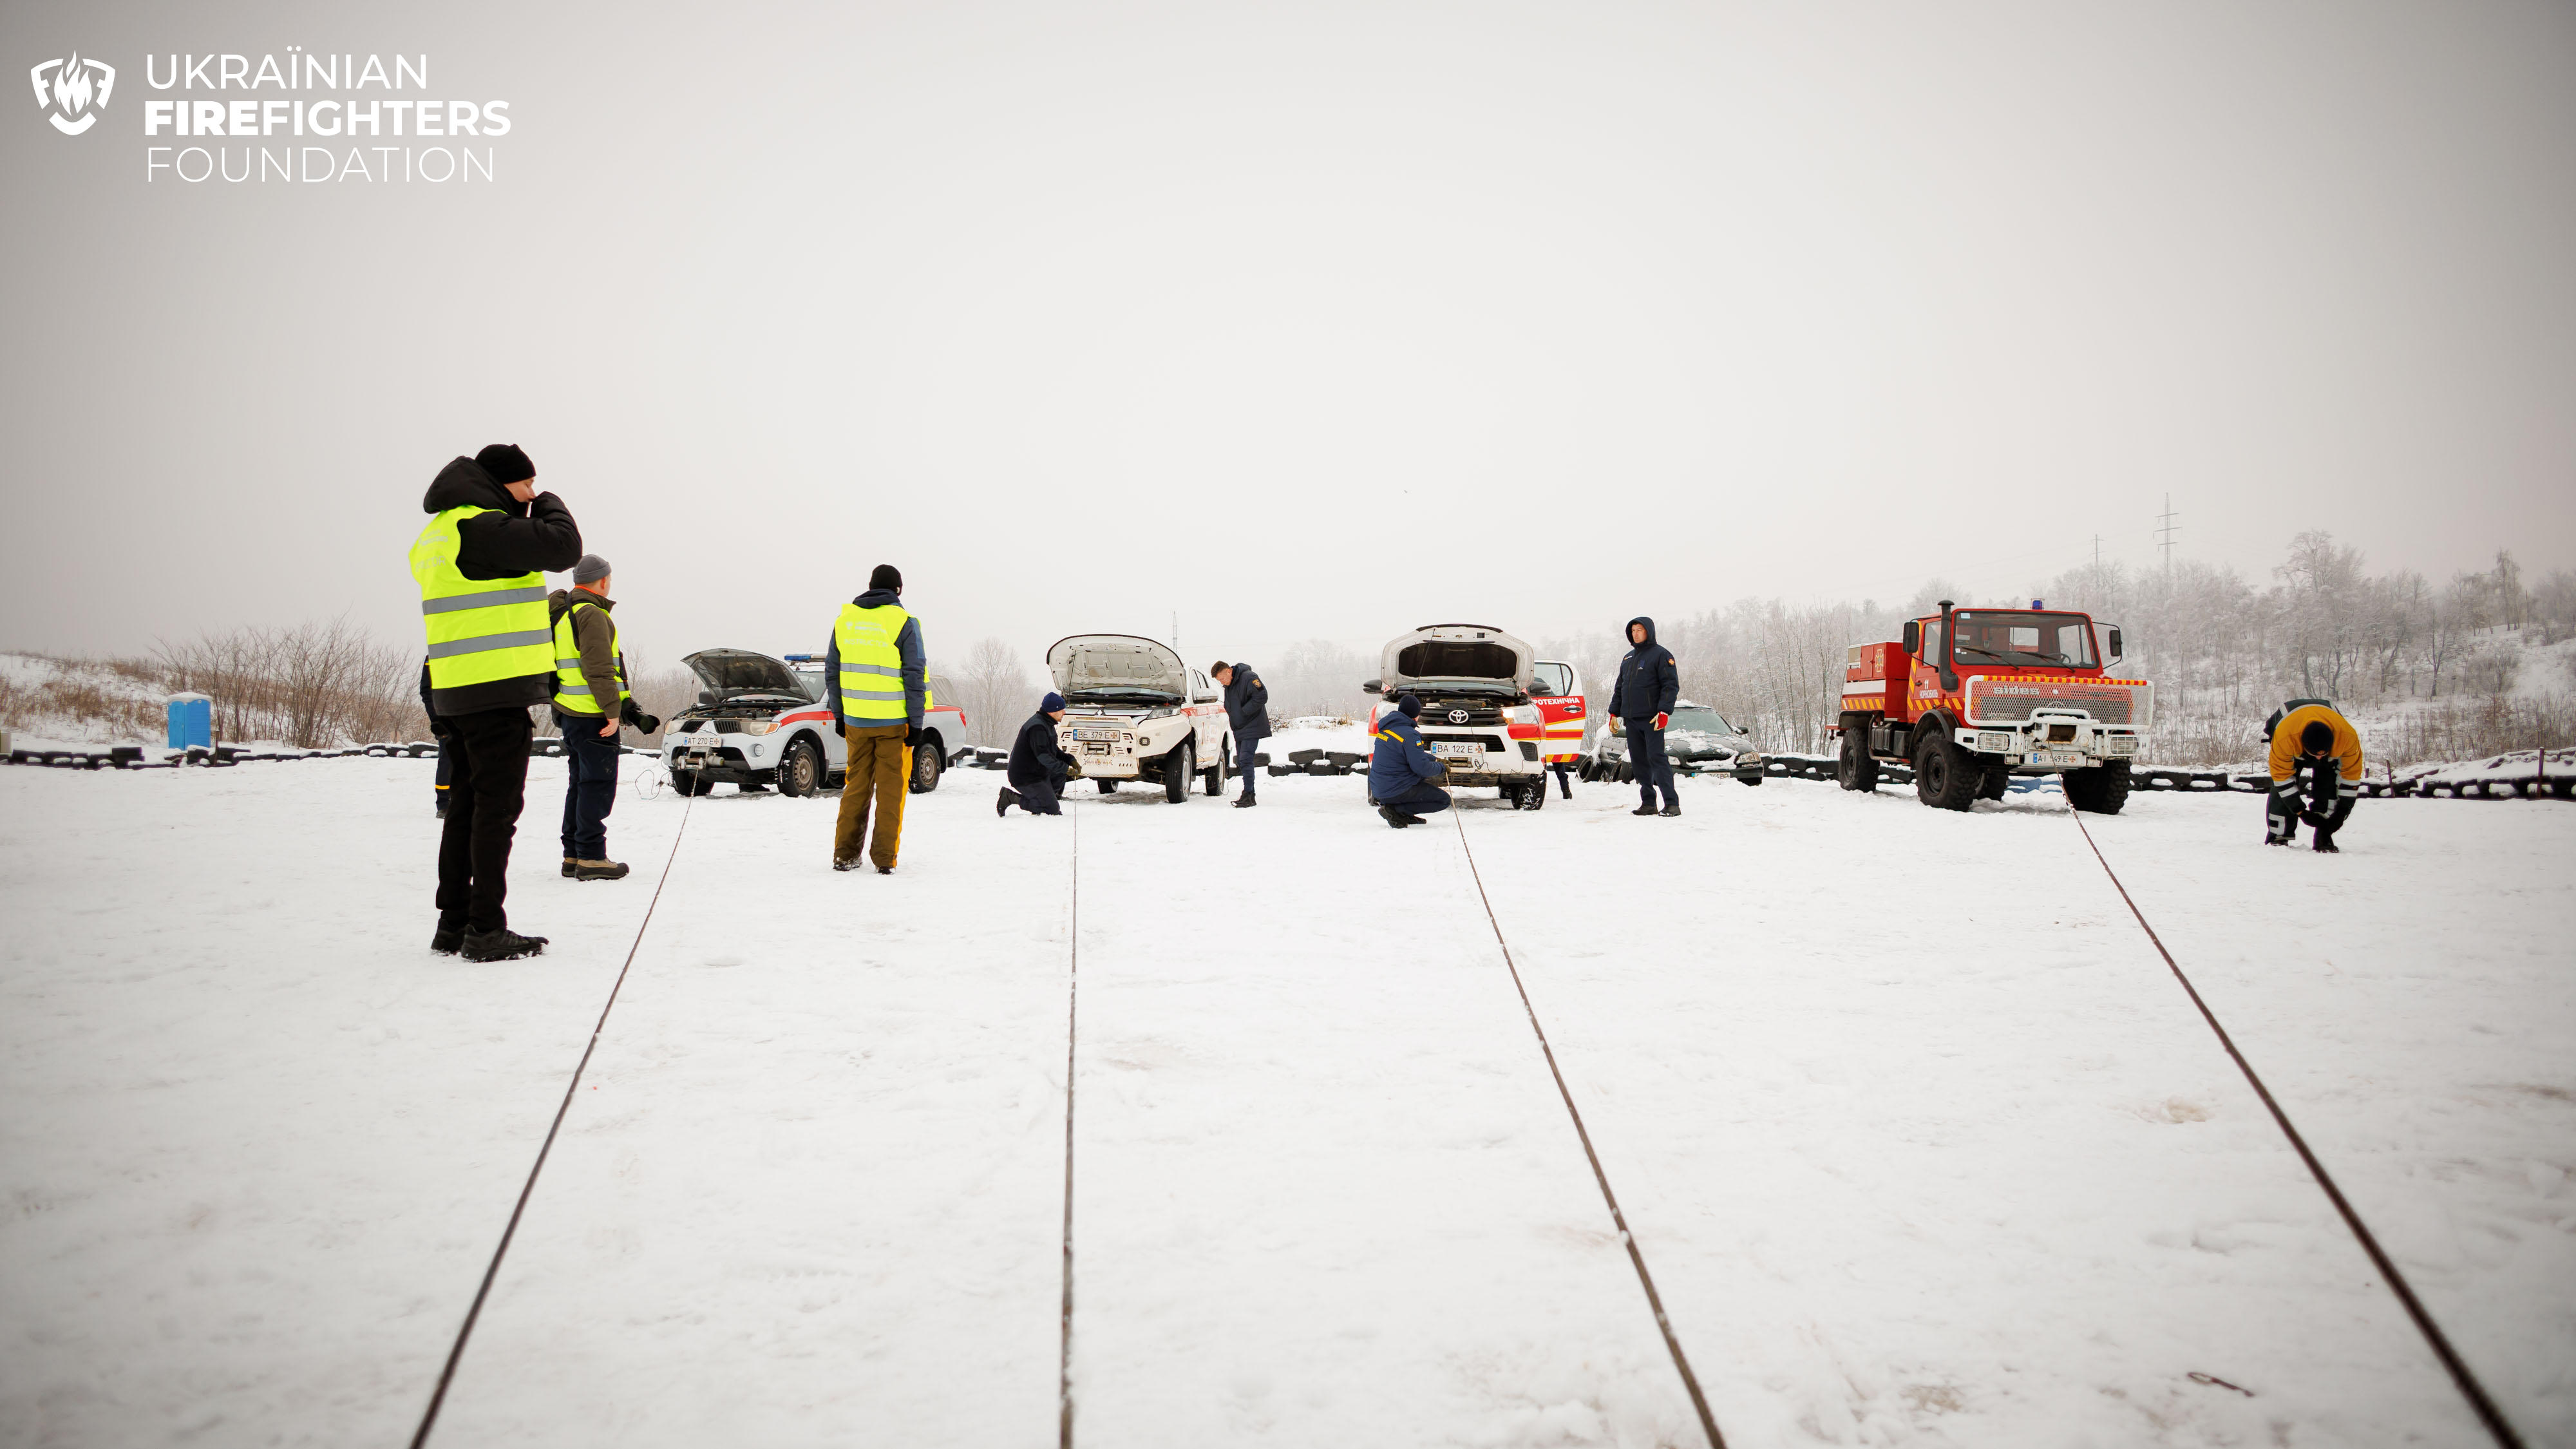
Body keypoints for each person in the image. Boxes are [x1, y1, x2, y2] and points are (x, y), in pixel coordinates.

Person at [411, 443, 583, 961]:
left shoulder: (439, 533)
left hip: (455, 688)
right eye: (526, 484)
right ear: (501, 483)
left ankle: (453, 924)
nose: (531, 494)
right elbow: (565, 548)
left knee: (466, 806)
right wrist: (549, 501)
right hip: (495, 688)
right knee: (495, 811)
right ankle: (485, 928)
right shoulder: (482, 526)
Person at [550, 555, 658, 881]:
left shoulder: (563, 613)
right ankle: (592, 858)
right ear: (603, 581)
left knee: (579, 786)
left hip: (571, 712)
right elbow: (598, 670)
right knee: (597, 786)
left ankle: (573, 854)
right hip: (593, 715)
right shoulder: (592, 614)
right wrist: (612, 713)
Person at [828, 564, 927, 873]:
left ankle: (845, 856)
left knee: (855, 788)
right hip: (894, 725)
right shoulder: (904, 622)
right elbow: (914, 676)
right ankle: (884, 860)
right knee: (890, 792)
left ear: (870, 587)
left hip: (856, 723)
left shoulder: (845, 622)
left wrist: (840, 716)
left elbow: (832, 673)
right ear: (898, 590)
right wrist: (917, 723)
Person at [2263, 699, 2363, 851]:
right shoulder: (2284, 739)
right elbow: (2282, 778)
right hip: (2287, 724)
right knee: (2281, 790)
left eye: (2323, 754)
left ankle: (2324, 833)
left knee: (2329, 783)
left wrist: (2342, 812)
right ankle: (2279, 836)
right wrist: (2300, 811)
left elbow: (2350, 777)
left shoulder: (2347, 738)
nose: (2319, 758)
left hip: (2332, 724)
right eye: (2315, 755)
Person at [1608, 616, 1680, 817]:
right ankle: (1648, 803)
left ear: (1649, 631)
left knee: (1657, 758)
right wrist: (1614, 713)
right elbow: (1620, 688)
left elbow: (1670, 685)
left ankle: (1672, 804)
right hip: (1631, 719)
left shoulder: (1661, 655)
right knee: (1639, 762)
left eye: (1640, 630)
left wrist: (1664, 711)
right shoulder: (1628, 658)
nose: (1636, 634)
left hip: (1652, 719)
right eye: (1633, 631)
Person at [1367, 694, 1452, 829]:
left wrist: (1435, 759)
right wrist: (1441, 767)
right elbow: (1422, 768)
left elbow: (1409, 754)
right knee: (1443, 800)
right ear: (1415, 714)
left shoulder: (1388, 729)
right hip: (1394, 789)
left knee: (1416, 778)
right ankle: (1396, 811)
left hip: (1380, 788)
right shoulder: (1410, 735)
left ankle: (1402, 813)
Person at [999, 692, 1078, 816]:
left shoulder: (1047, 723)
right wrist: (1067, 769)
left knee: (1060, 774)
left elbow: (1053, 750)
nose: (1064, 712)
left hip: (1038, 772)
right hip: (1025, 777)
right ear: (1053, 710)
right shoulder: (1037, 727)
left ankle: (1044, 800)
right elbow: (1044, 757)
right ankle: (1010, 797)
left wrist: (1070, 760)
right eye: (1062, 709)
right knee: (1052, 810)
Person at [1211, 660, 1271, 808]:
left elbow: (1262, 696)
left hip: (1252, 725)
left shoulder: (1249, 677)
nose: (1222, 682)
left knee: (1245, 759)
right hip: (1240, 728)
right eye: (1219, 681)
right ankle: (1250, 796)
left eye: (1222, 679)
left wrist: (1244, 712)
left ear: (1229, 671)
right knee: (1243, 761)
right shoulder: (1229, 685)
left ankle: (1248, 794)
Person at [419, 657, 453, 819]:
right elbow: (427, 691)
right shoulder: (433, 655)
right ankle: (444, 805)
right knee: (447, 761)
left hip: (471, 716)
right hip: (446, 718)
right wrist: (437, 719)